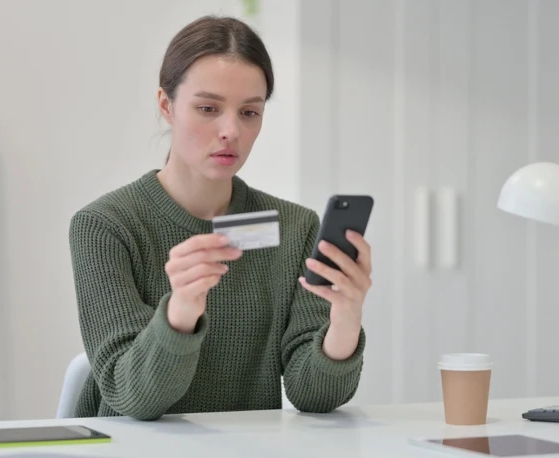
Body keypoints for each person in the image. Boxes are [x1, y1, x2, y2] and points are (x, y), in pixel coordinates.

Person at [68, 15, 373, 421]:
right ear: (166, 105)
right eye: (208, 108)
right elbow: (132, 398)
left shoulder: (294, 228)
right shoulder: (106, 227)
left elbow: (312, 395)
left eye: (249, 113)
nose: (230, 130)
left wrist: (346, 320)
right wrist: (181, 311)